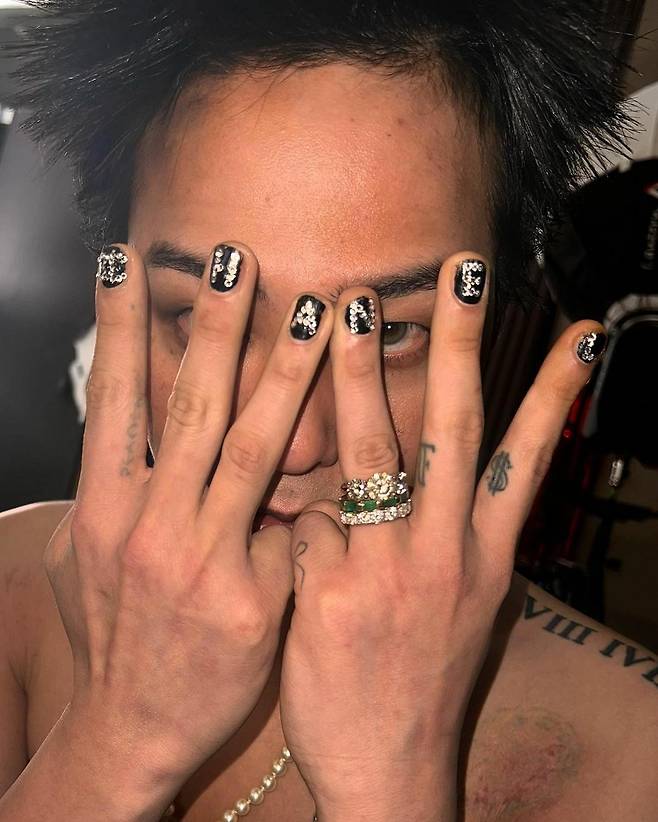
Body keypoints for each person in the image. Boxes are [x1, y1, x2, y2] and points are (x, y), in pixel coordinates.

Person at [1, 1, 656, 820]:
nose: (293, 445)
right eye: (201, 316)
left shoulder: (634, 754)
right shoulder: (11, 588)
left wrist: (391, 784)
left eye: (390, 334)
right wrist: (112, 745)